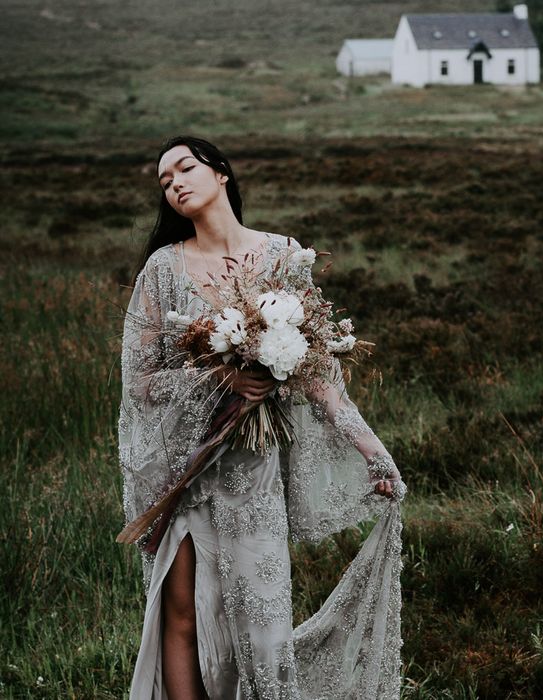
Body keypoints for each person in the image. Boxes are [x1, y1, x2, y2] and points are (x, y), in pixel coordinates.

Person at [118, 135, 406, 699]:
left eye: (185, 168)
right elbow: (140, 381)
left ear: (221, 173)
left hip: (254, 473)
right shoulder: (162, 269)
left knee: (265, 632)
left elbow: (320, 375)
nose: (175, 183)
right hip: (187, 473)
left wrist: (372, 449)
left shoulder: (283, 255)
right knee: (183, 620)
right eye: (164, 181)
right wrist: (220, 376)